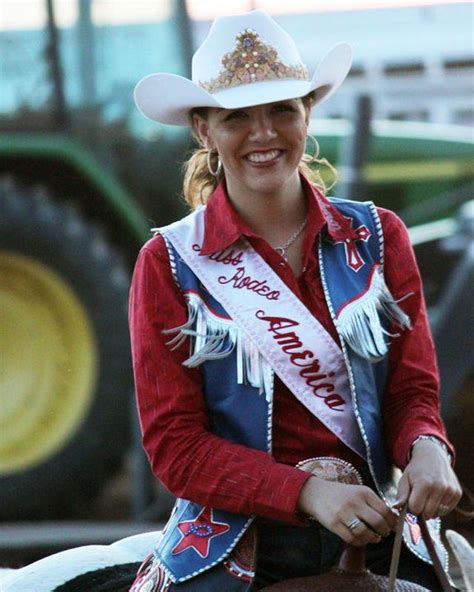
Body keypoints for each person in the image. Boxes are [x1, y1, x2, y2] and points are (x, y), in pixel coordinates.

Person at [1, 9, 462, 592]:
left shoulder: (380, 236)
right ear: (204, 130)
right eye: (237, 117)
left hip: (375, 525)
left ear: (307, 114)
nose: (263, 133)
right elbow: (175, 448)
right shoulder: (168, 263)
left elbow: (411, 390)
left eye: (281, 111)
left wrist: (426, 447)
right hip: (231, 538)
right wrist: (306, 493)